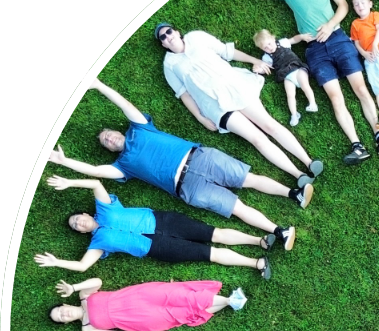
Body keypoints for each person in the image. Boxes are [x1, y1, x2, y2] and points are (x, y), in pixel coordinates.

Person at [50, 78, 304, 238]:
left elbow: (124, 104)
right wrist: (65, 162)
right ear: (109, 149)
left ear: (118, 131)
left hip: (201, 158)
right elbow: (96, 172)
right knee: (237, 209)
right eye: (105, 141)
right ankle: (278, 232)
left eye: (109, 134)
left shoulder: (140, 128)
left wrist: (99, 86)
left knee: (250, 179)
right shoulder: (123, 166)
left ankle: (294, 194)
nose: (109, 139)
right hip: (188, 187)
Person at [247, 0, 379, 163]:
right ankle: (357, 146)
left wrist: (329, 25)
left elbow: (343, 5)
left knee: (361, 89)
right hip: (315, 51)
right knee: (336, 98)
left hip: (337, 38)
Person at [156, 24, 323, 187]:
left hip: (236, 87)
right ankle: (297, 174)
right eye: (163, 37)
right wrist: (200, 117)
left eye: (169, 32)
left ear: (177, 32)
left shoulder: (196, 37)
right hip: (215, 107)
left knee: (270, 125)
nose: (167, 37)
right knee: (257, 139)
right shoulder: (169, 65)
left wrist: (256, 60)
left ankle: (309, 162)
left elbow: (227, 52)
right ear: (163, 44)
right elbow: (184, 94)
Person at [36, 176, 273, 279]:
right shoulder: (97, 244)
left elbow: (96, 183)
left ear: (86, 214)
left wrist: (69, 183)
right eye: (76, 226)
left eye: (77, 218)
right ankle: (256, 263)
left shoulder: (105, 207)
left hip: (163, 221)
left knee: (215, 234)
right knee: (209, 254)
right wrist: (56, 262)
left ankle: (259, 241)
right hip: (158, 248)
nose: (79, 222)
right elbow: (81, 266)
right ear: (81, 232)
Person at [49, 277, 242, 331]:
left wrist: (73, 287)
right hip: (138, 320)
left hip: (139, 296)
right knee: (182, 314)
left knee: (181, 296)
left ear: (64, 305)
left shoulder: (84, 295)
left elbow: (97, 281)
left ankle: (229, 300)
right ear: (65, 322)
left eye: (60, 311)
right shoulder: (87, 327)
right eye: (60, 319)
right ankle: (230, 302)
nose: (63, 314)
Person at [252, 29, 318, 126]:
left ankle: (312, 103)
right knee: (290, 95)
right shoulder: (267, 58)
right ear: (262, 49)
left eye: (269, 44)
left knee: (305, 85)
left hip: (297, 68)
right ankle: (294, 114)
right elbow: (266, 68)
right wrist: (259, 70)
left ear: (273, 38)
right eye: (265, 48)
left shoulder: (282, 43)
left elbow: (294, 40)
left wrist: (302, 37)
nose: (269, 48)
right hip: (286, 76)